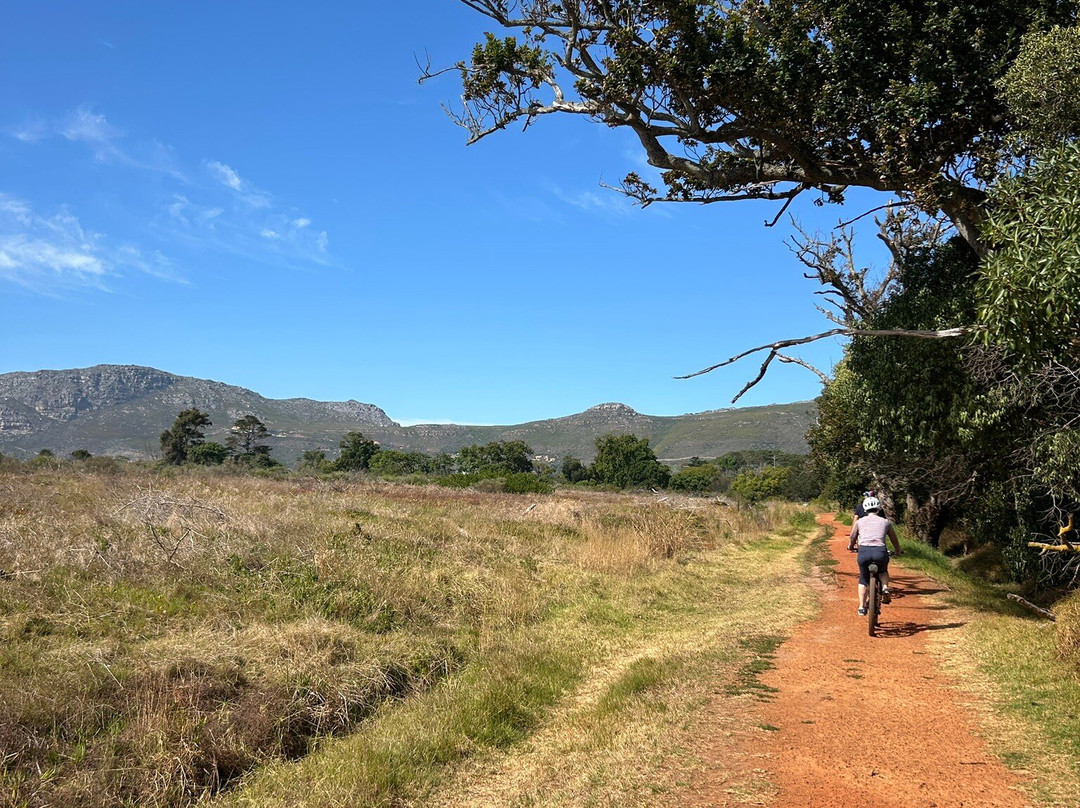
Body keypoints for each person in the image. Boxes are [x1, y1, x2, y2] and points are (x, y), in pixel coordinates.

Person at [848, 496, 902, 615]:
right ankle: (885, 587)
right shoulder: (885, 522)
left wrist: (851, 547)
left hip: (864, 552)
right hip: (880, 552)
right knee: (883, 571)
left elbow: (852, 537)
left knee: (863, 579)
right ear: (878, 508)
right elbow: (893, 538)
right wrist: (898, 550)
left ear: (865, 509)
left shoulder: (859, 522)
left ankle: (861, 607)